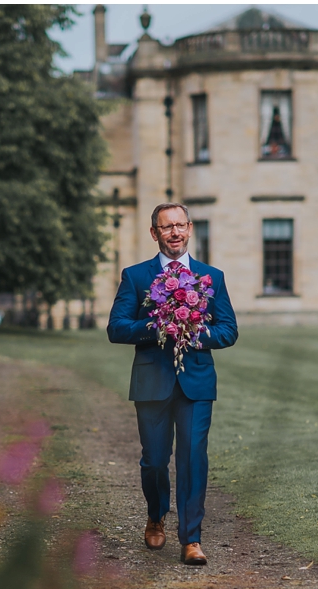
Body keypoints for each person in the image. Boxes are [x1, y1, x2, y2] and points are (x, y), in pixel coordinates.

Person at [107, 203, 238, 565]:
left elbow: (228, 330)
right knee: (153, 461)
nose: (175, 232)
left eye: (180, 225)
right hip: (152, 382)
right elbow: (116, 328)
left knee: (193, 459)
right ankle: (155, 514)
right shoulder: (136, 276)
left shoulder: (212, 277)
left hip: (196, 383)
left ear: (190, 229)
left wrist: (196, 333)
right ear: (155, 233)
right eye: (167, 227)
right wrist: (156, 326)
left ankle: (191, 538)